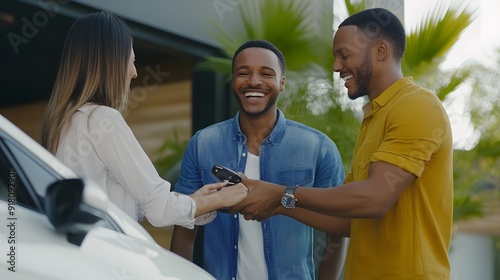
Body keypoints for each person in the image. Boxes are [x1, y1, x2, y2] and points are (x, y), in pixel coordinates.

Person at [232, 8, 454, 280]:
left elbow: (374, 198)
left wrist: (279, 192)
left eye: (344, 55)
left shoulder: (416, 106)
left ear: (381, 51)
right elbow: (348, 220)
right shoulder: (375, 116)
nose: (336, 66)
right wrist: (277, 206)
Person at [41, 11, 248, 229]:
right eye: (131, 61)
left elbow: (129, 202)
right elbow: (158, 208)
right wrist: (221, 198)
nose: (134, 73)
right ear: (110, 63)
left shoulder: (62, 122)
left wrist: (199, 201)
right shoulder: (101, 119)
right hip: (110, 254)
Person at [170, 39, 348, 280]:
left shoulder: (318, 147)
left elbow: (337, 231)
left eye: (266, 74)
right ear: (233, 80)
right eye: (243, 73)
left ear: (281, 83)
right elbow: (184, 227)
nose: (253, 81)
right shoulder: (203, 144)